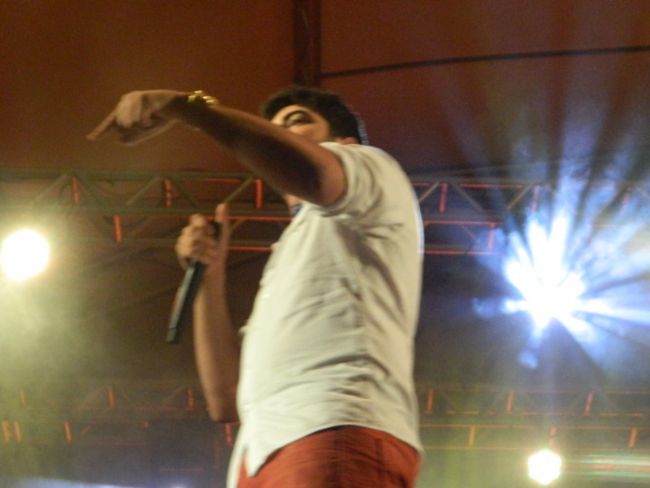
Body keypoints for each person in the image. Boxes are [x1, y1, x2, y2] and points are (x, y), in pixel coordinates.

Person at [89, 86, 424, 488]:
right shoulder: (292, 252)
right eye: (274, 127)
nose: (280, 132)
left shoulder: (372, 168)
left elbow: (318, 174)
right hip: (263, 453)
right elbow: (225, 398)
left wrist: (189, 108)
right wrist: (209, 275)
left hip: (333, 425)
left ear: (345, 142)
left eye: (296, 121)